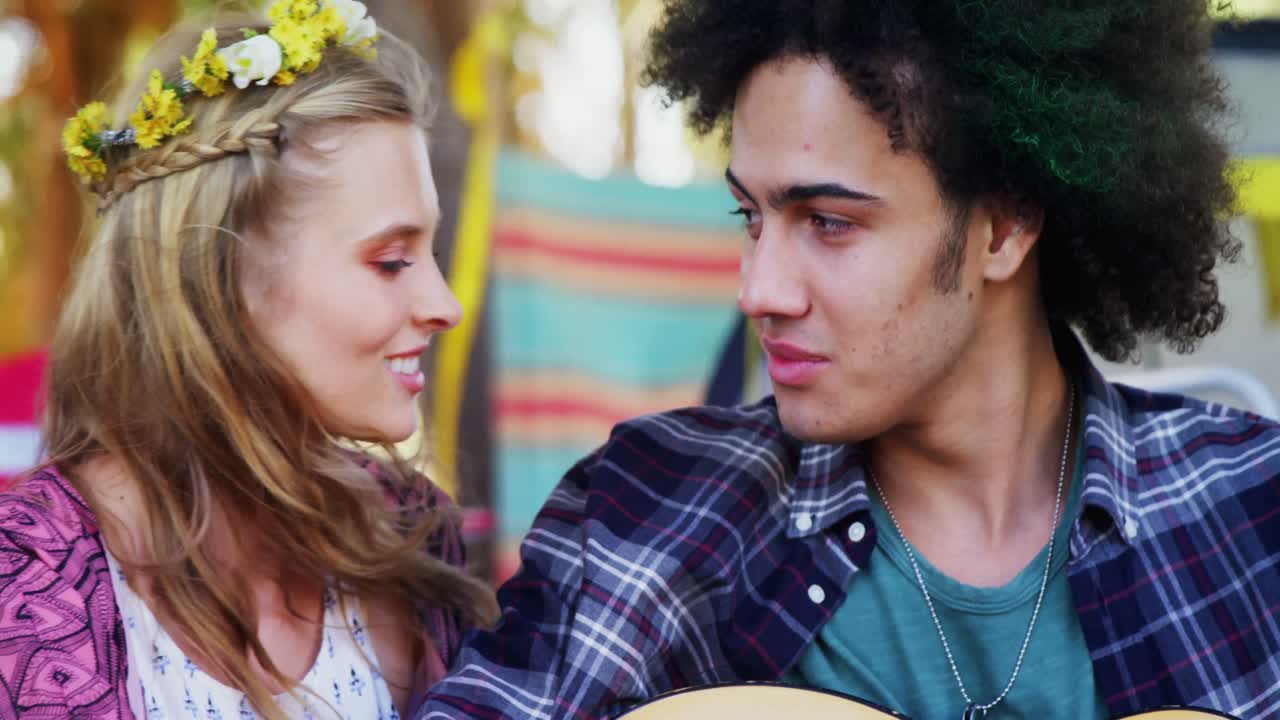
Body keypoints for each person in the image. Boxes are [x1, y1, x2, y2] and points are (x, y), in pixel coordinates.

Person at [421, 2, 1280, 719]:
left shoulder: (1252, 510)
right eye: (750, 219)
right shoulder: (644, 512)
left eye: (829, 222)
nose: (760, 290)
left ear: (1005, 226)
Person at [0, 2, 497, 718]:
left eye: (432, 253)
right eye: (391, 261)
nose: (444, 303)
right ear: (220, 278)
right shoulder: (30, 581)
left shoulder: (412, 543)